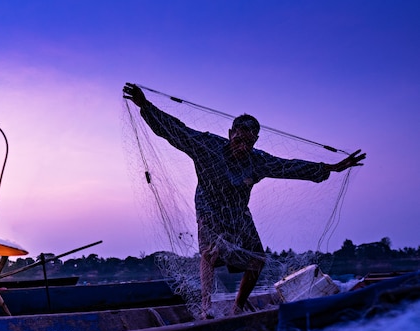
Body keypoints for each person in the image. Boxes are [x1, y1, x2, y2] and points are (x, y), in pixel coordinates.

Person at [123, 83, 366, 317]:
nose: (242, 146)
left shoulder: (257, 160)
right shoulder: (208, 146)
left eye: (248, 142)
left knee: (257, 260)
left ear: (256, 141)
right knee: (210, 251)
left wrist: (330, 168)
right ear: (230, 134)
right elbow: (177, 131)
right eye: (238, 140)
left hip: (238, 212)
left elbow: (289, 167)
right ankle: (206, 305)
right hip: (208, 206)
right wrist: (146, 106)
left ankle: (237, 306)